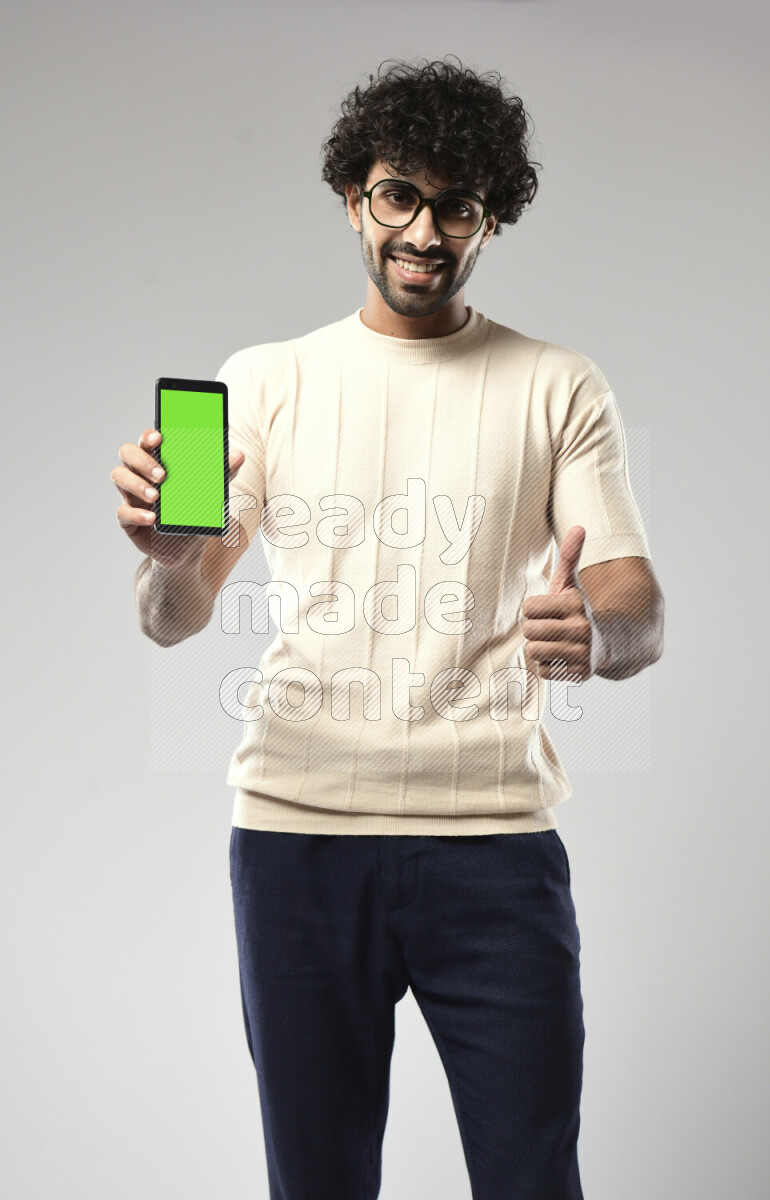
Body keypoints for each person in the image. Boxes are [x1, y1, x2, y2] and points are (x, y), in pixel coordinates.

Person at [112, 56, 664, 1200]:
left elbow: (632, 602)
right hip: (296, 845)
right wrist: (167, 561)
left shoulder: (557, 385)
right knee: (315, 1183)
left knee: (531, 1180)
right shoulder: (263, 381)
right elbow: (173, 620)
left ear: (490, 219)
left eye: (455, 206)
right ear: (351, 199)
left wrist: (594, 636)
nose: (422, 232)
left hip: (494, 850)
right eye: (397, 196)